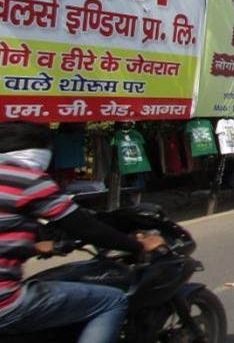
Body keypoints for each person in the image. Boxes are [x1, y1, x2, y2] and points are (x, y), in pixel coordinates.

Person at [0, 121, 166, 343]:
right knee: (113, 300)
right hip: (5, 303)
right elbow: (86, 228)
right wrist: (137, 245)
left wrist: (32, 247)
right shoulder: (28, 180)